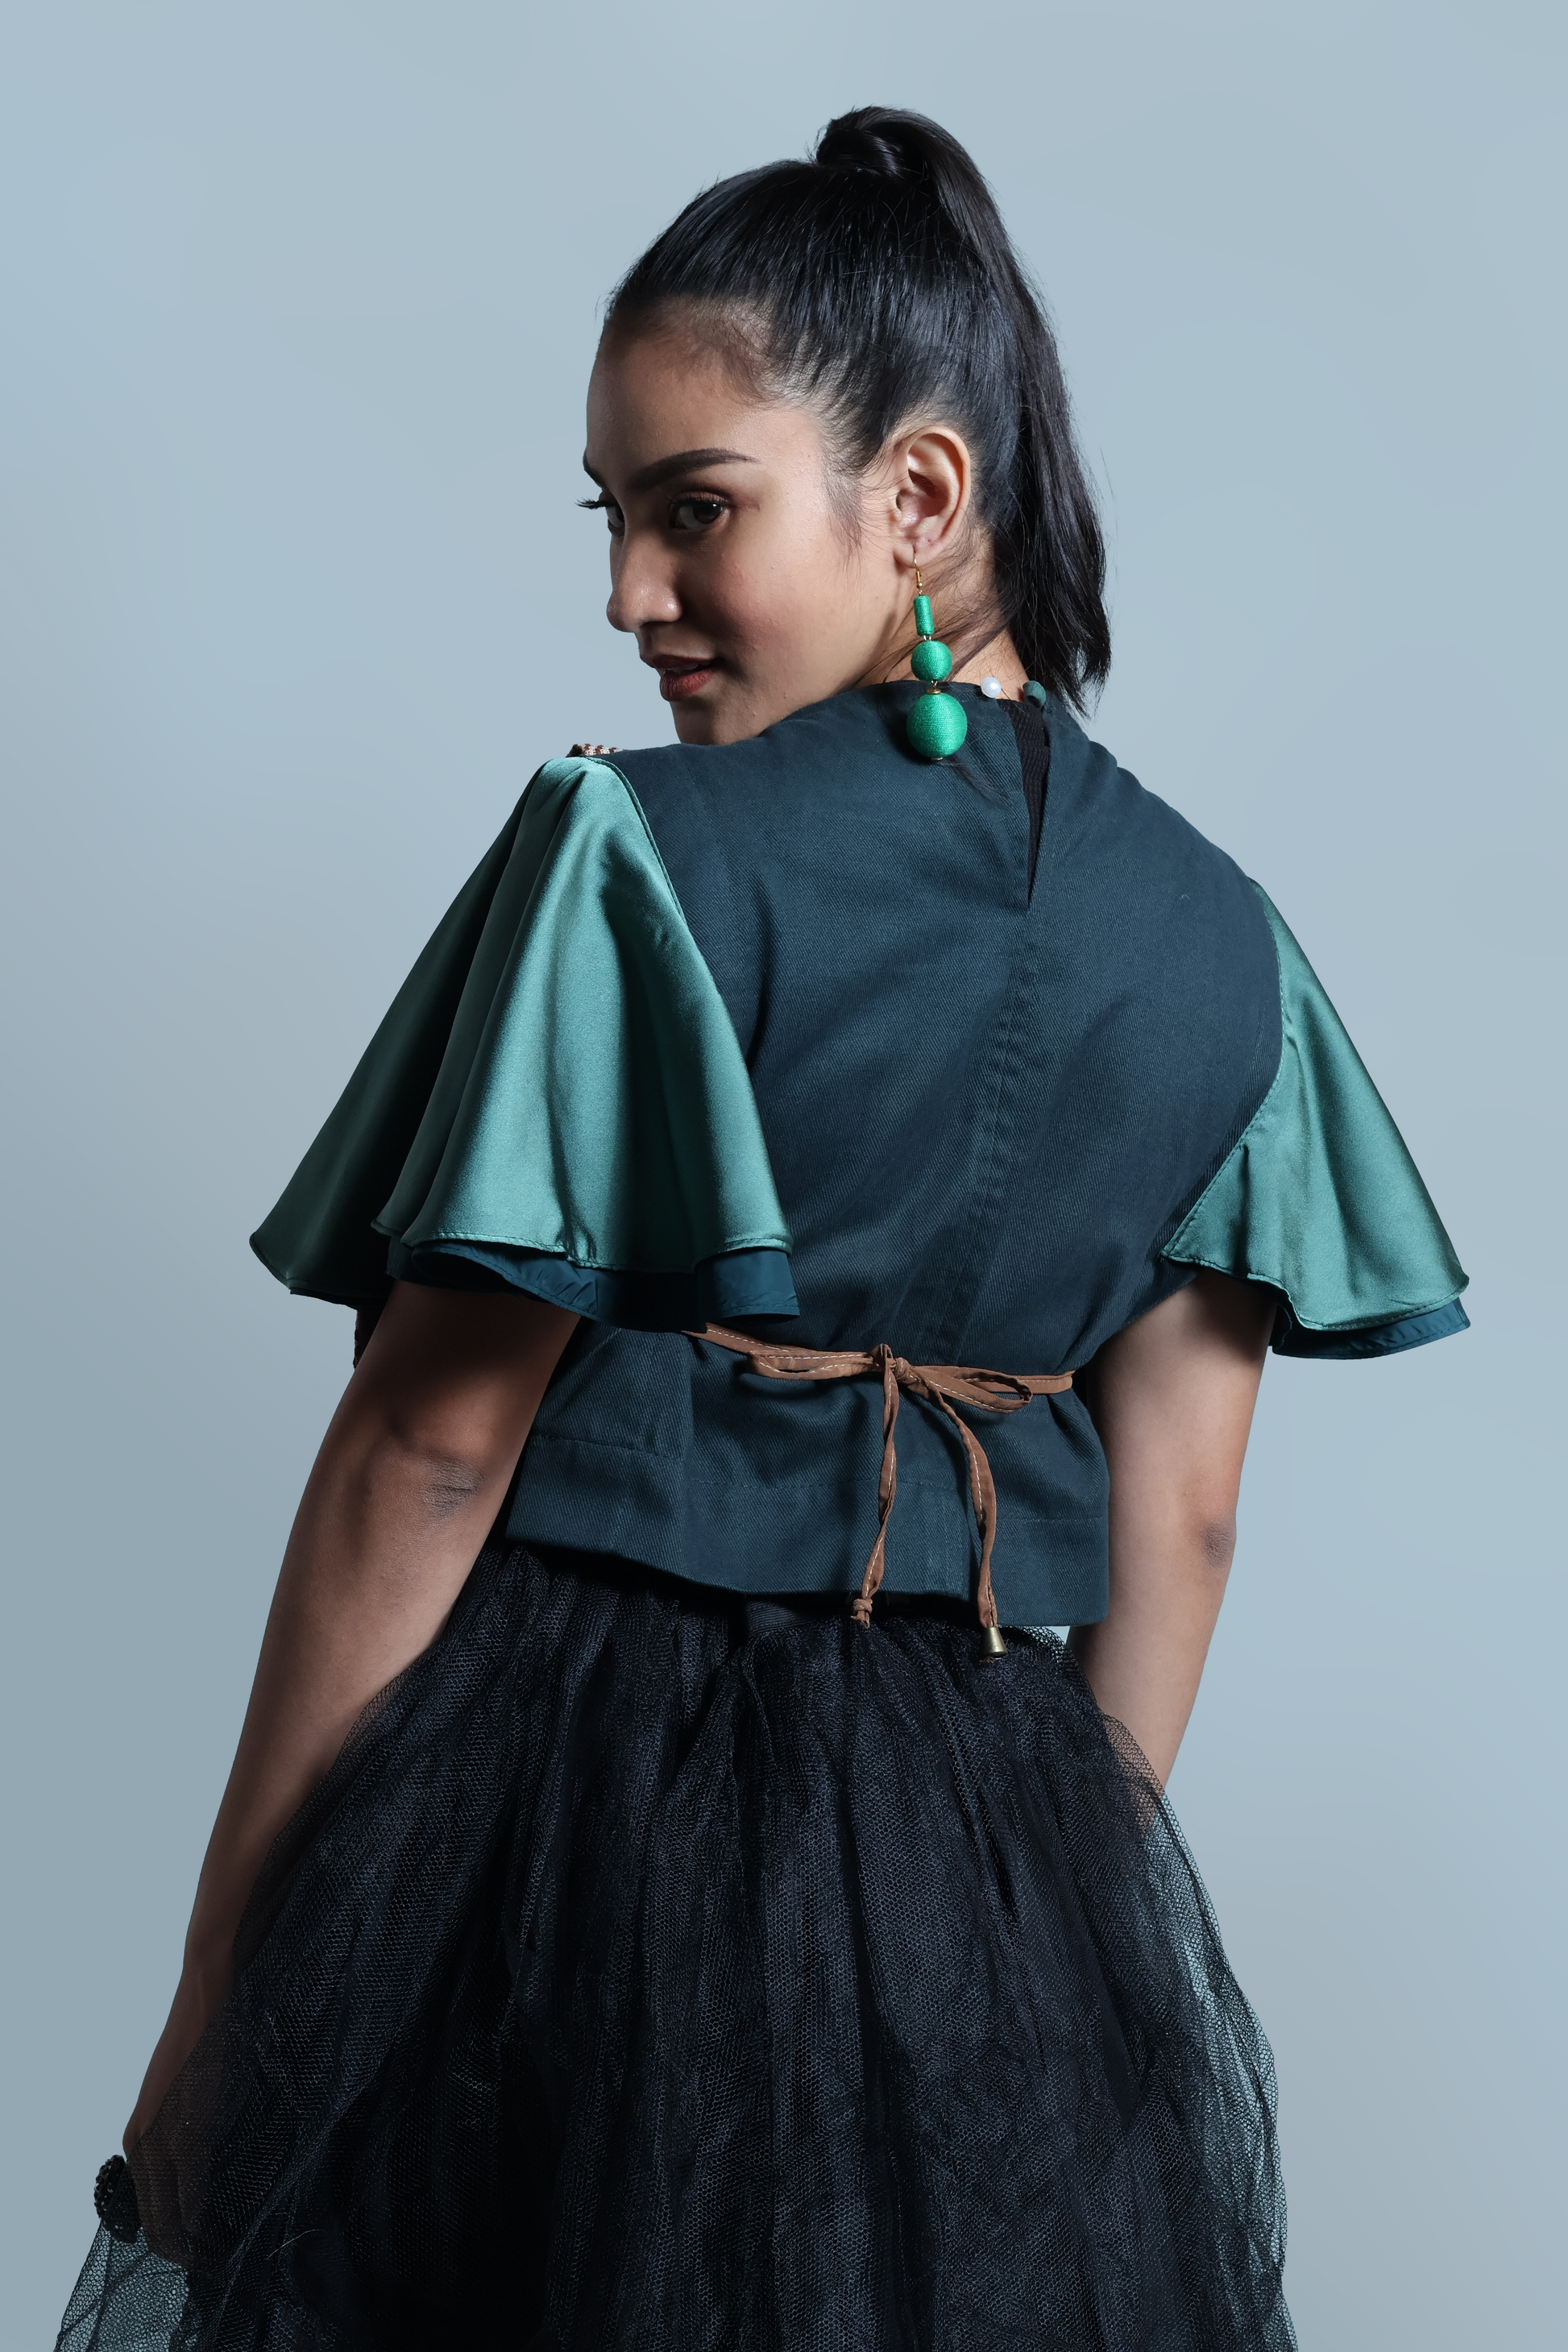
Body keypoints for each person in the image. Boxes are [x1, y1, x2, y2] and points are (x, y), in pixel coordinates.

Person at [57, 106, 1466, 2352]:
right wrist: (1030, 1957)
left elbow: (426, 1455)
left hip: (570, 1817)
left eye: (692, 508)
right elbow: (1185, 1524)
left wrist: (229, 2006)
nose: (629, 593)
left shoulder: (637, 860)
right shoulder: (1234, 951)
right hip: (986, 1839)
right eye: (613, 518)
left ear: (920, 496)